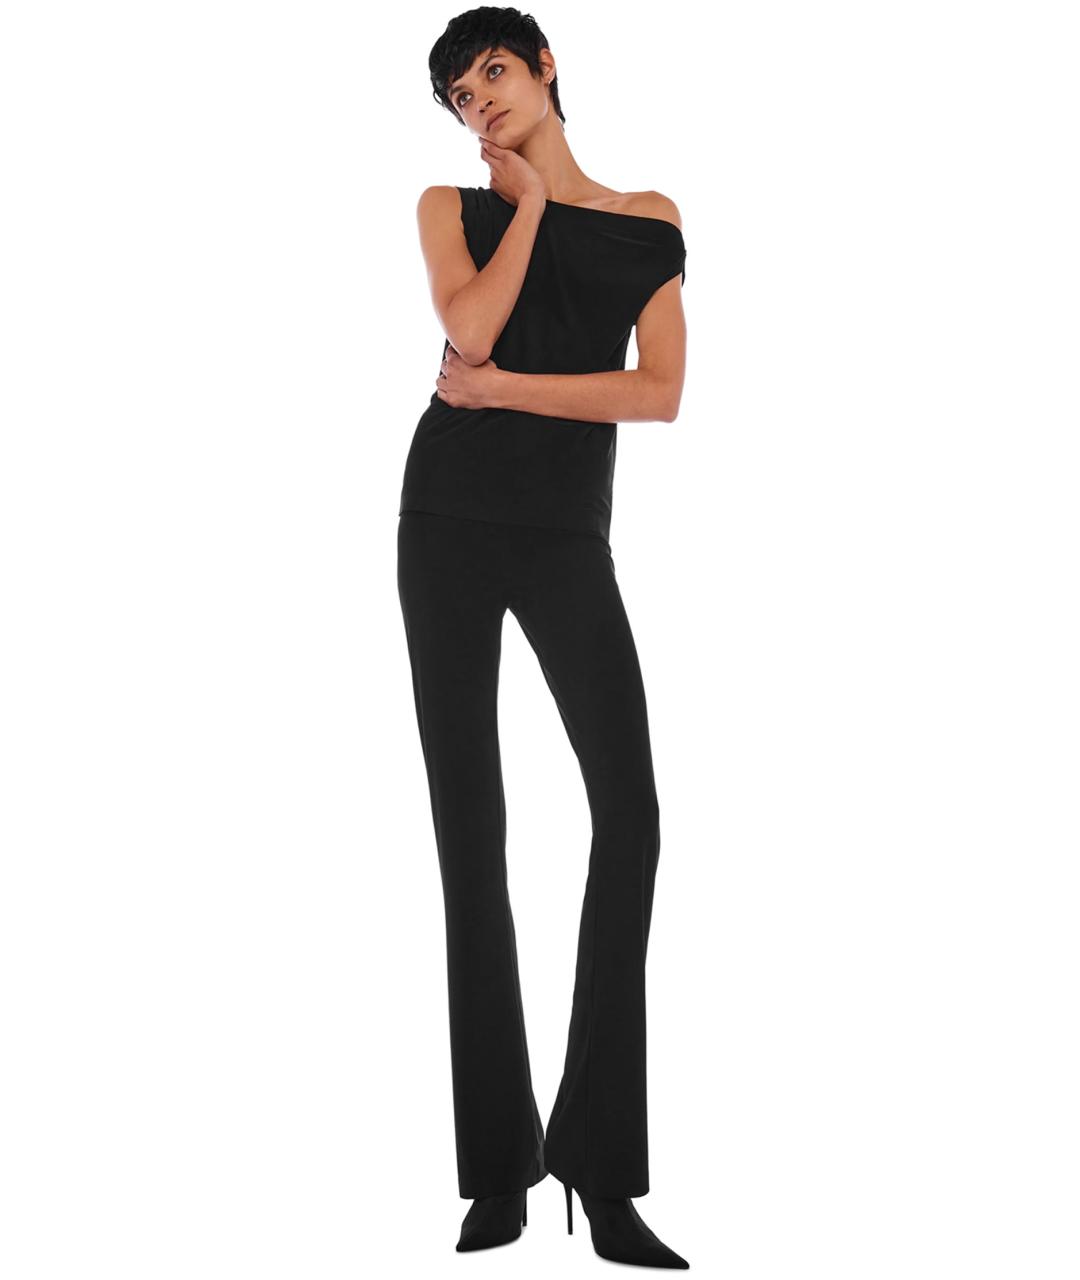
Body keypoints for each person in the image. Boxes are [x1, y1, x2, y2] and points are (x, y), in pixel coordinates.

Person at [396, 8, 690, 1268]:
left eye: (496, 74)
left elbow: (659, 392)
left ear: (547, 66)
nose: (483, 103)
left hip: (568, 535)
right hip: (447, 522)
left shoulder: (646, 219)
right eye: (463, 97)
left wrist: (510, 389)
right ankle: (500, 1171)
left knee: (631, 812)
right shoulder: (451, 210)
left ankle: (601, 1166)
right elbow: (467, 330)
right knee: (473, 838)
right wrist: (520, 210)